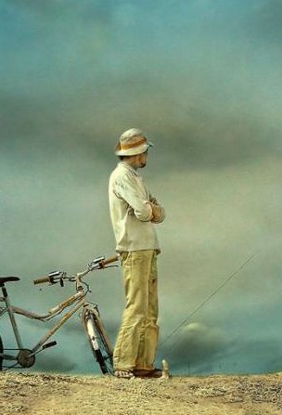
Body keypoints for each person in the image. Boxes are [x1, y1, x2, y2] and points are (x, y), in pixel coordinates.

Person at [108, 128, 166, 379]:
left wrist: (150, 208)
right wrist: (150, 208)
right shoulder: (123, 176)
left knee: (149, 309)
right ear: (138, 152)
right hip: (135, 247)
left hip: (146, 246)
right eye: (145, 152)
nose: (146, 156)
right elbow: (145, 212)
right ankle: (123, 363)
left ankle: (143, 364)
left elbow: (158, 213)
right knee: (137, 307)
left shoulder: (133, 177)